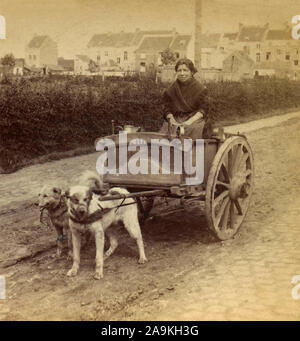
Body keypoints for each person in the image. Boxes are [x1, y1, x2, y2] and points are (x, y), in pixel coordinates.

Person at [160, 58, 213, 139]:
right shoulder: (171, 89)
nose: (182, 73)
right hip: (176, 118)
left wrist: (189, 122)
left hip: (195, 119)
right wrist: (171, 119)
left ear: (191, 72)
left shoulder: (201, 89)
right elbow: (166, 107)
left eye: (185, 70)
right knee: (165, 133)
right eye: (179, 70)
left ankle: (192, 151)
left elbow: (204, 109)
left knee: (189, 131)